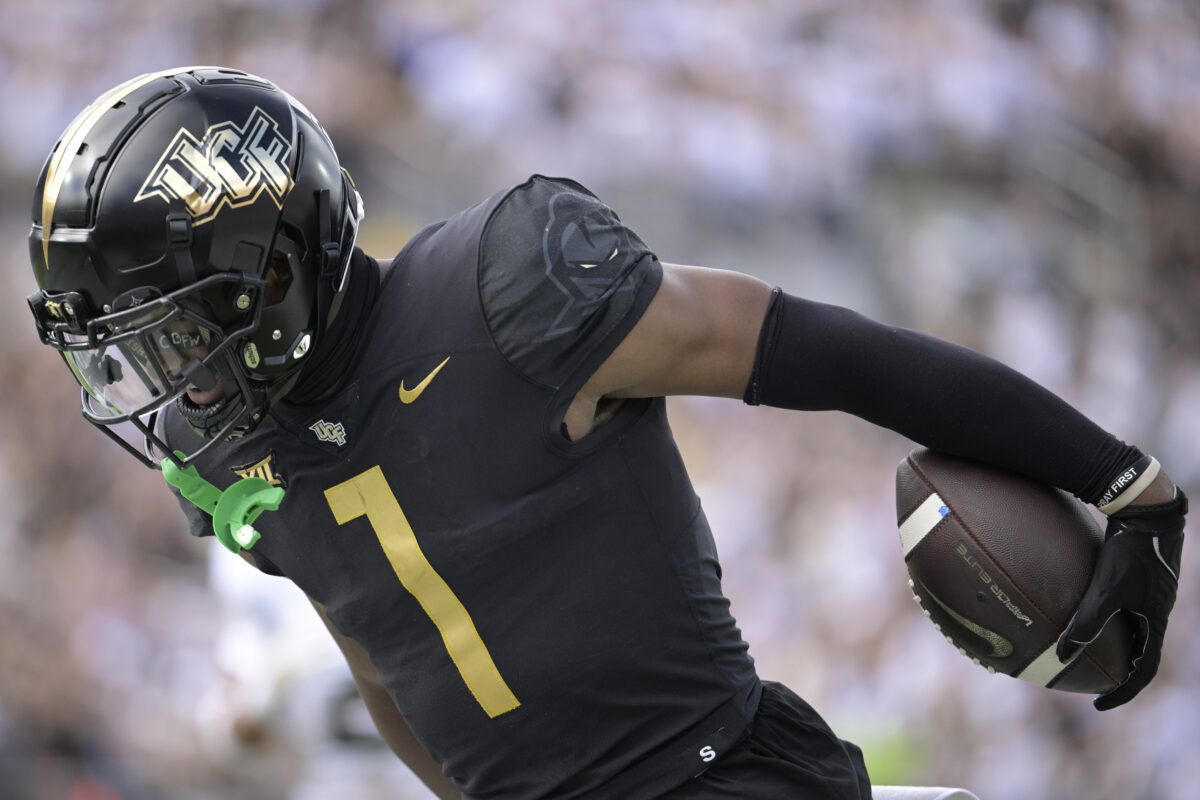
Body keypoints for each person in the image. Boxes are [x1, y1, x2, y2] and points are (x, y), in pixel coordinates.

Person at [26, 67, 1186, 800]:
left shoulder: (501, 293)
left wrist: (1115, 475)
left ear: (269, 272)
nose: (156, 381)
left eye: (172, 335)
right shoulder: (233, 459)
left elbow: (825, 351)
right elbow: (380, 647)